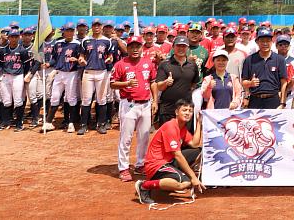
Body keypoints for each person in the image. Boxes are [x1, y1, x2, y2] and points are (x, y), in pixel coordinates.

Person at [135, 99, 204, 205]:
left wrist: (199, 123)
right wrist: (193, 177)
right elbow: (178, 155)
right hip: (156, 165)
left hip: (168, 161)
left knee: (198, 151)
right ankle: (144, 186)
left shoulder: (182, 128)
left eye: (190, 111)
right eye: (184, 110)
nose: (187, 113)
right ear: (176, 112)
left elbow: (194, 144)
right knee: (184, 183)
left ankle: (171, 180)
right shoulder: (171, 127)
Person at [112, 36, 158, 182]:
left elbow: (153, 82)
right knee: (126, 138)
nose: (135, 49)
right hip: (129, 104)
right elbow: (112, 84)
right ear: (128, 48)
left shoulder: (148, 62)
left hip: (145, 104)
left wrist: (155, 100)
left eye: (138, 46)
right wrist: (126, 83)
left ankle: (140, 164)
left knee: (144, 137)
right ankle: (124, 168)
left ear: (142, 47)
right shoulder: (121, 64)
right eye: (132, 46)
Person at [77, 19, 113, 135]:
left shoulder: (107, 41)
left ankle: (101, 124)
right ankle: (83, 125)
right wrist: (81, 60)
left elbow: (110, 56)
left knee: (101, 99)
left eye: (98, 25)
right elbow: (81, 56)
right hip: (88, 71)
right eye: (94, 25)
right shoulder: (86, 40)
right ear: (91, 27)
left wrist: (109, 59)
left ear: (101, 27)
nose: (96, 27)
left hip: (102, 72)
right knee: (86, 99)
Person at [155, 36, 201, 125]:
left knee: (185, 137)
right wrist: (166, 82)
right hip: (168, 108)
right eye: (178, 46)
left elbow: (194, 83)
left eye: (184, 46)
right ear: (173, 47)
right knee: (168, 137)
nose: (181, 48)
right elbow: (159, 86)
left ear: (187, 48)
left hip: (186, 109)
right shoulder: (164, 64)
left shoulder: (192, 65)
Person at [0, 28, 34, 131]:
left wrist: (25, 75)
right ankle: (5, 122)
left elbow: (26, 65)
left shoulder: (22, 50)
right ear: (8, 38)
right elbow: (0, 64)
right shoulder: (3, 50)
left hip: (18, 76)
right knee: (6, 101)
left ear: (19, 37)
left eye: (16, 37)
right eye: (12, 37)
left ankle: (19, 123)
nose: (14, 39)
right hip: (6, 76)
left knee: (18, 101)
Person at [241, 27, 289, 109]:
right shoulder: (249, 60)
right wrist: (250, 83)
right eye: (262, 41)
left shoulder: (280, 59)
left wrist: (282, 103)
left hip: (273, 99)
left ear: (272, 41)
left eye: (268, 41)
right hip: (255, 100)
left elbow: (284, 83)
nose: (265, 43)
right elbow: (243, 82)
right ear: (257, 42)